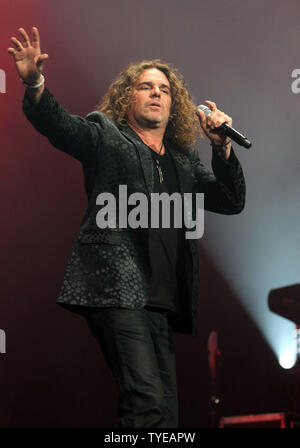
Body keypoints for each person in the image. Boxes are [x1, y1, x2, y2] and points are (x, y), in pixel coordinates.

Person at [8, 27, 246, 428]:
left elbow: (230, 201)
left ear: (175, 104)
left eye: (165, 89)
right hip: (117, 291)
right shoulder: (107, 135)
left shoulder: (183, 160)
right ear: (126, 97)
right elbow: (61, 126)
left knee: (167, 416)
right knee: (146, 404)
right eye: (145, 86)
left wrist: (222, 148)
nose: (156, 93)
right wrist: (35, 84)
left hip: (163, 302)